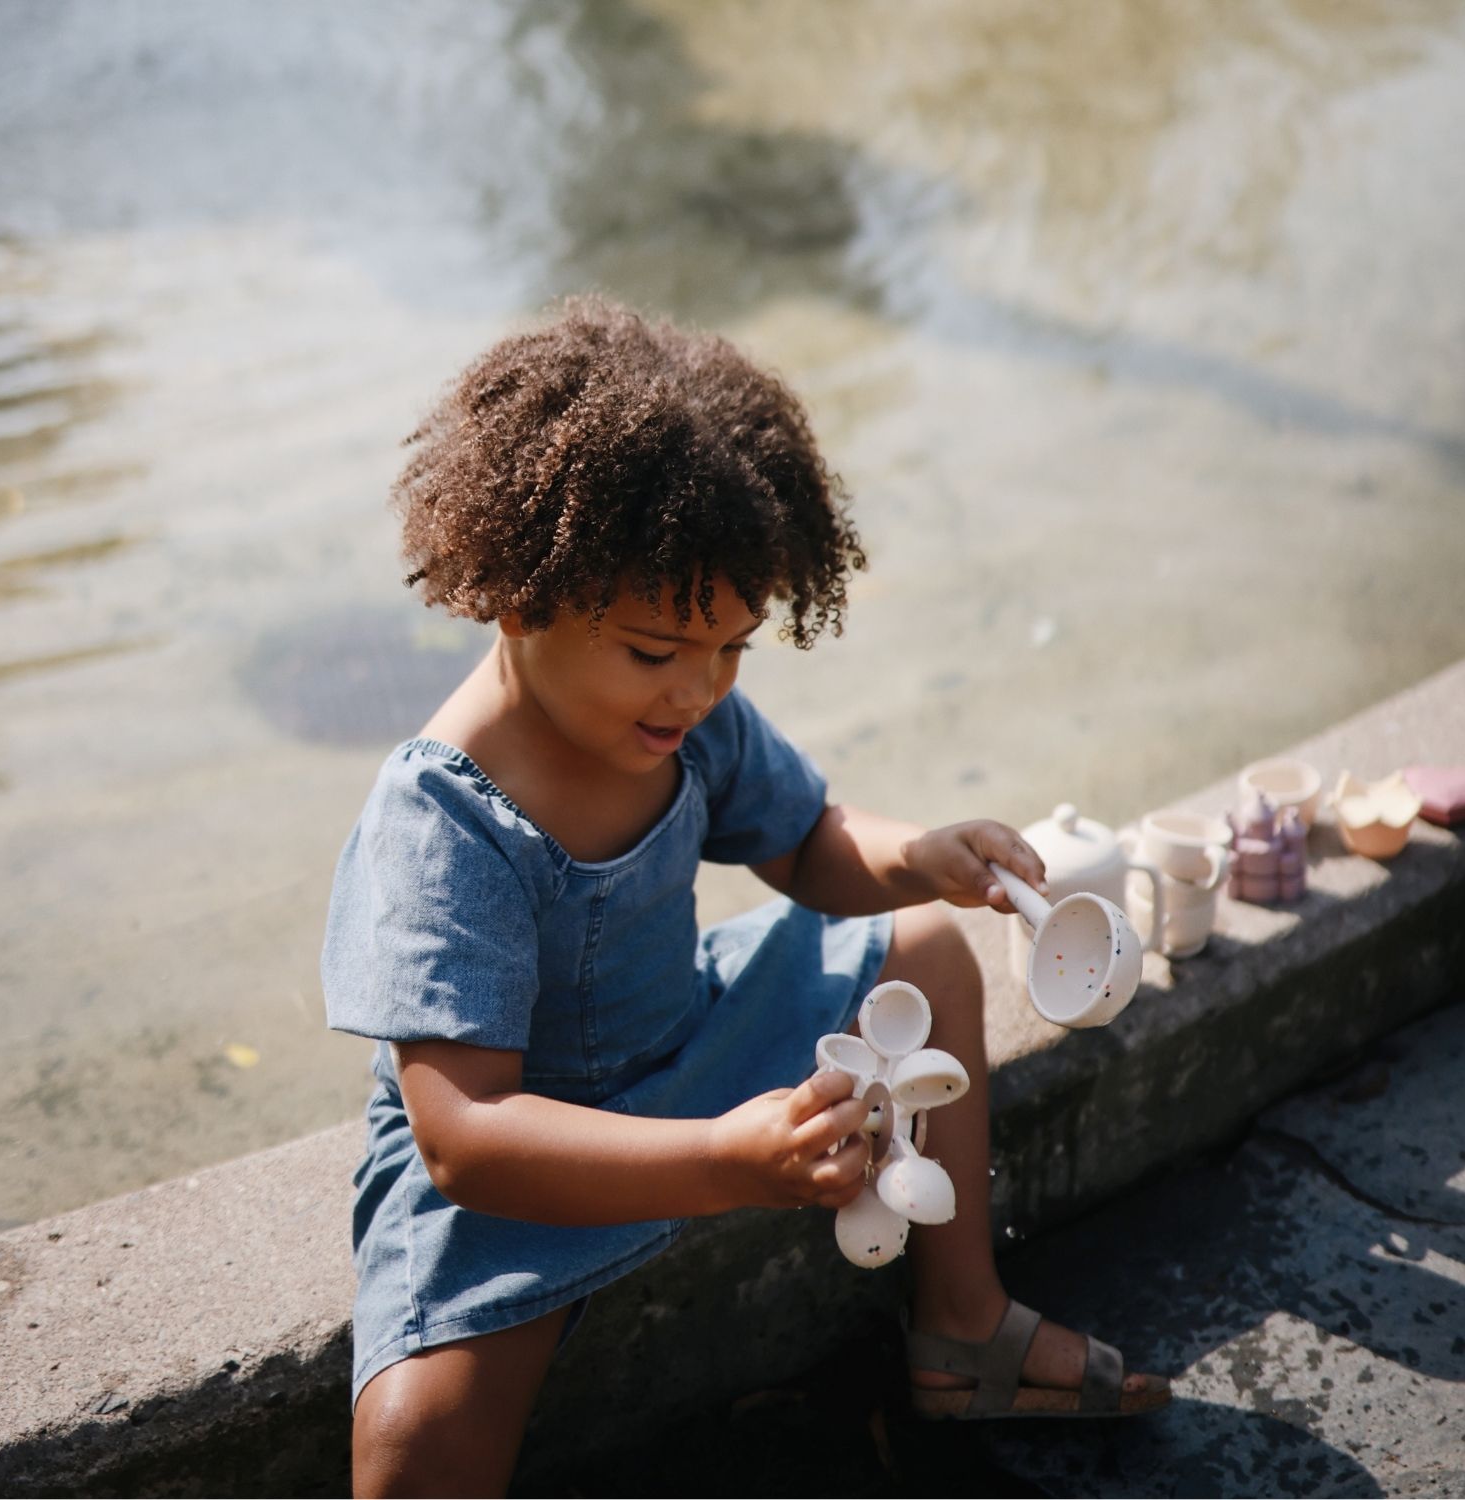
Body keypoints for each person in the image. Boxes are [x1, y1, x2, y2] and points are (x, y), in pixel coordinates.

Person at [322, 298, 1169, 1497]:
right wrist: (726, 1160)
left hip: (689, 1042)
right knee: (416, 1444)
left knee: (925, 946)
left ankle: (964, 1321)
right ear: (520, 595)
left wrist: (923, 854)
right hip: (534, 1153)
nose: (699, 690)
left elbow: (810, 842)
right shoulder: (443, 821)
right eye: (655, 652)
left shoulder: (684, 717)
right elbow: (467, 1139)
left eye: (733, 648)